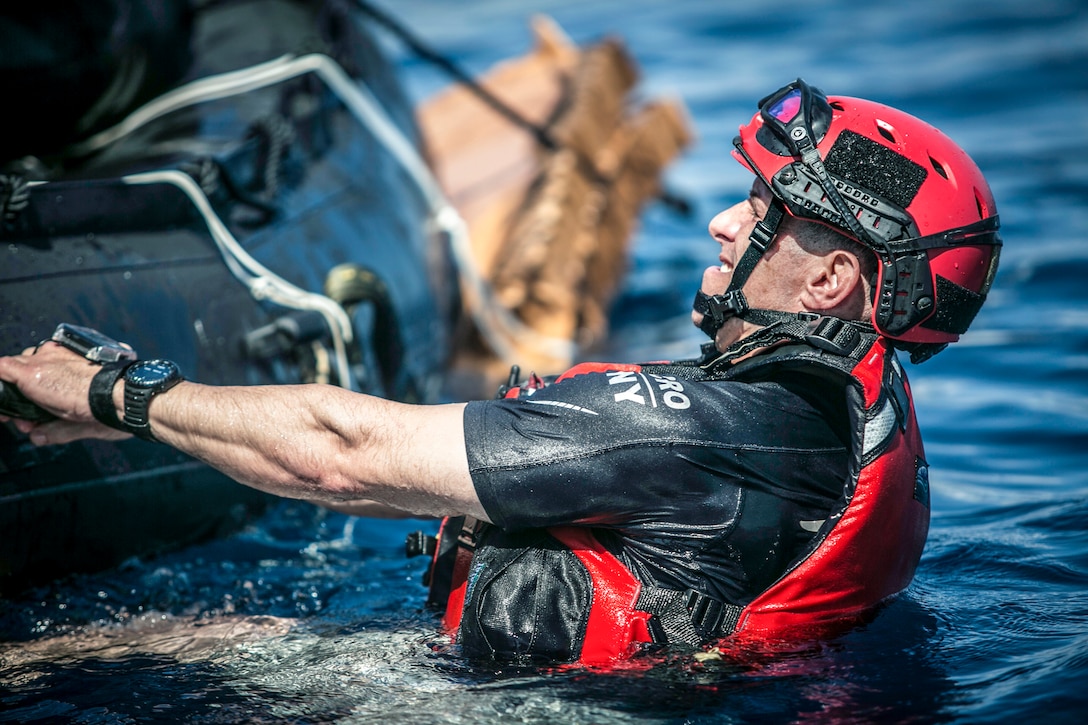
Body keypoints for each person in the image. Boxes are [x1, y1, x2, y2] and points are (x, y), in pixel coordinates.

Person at [0, 79, 1001, 666]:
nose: (723, 221)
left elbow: (341, 457)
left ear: (829, 279)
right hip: (651, 696)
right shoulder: (835, 413)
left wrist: (118, 393)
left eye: (762, 212)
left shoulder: (692, 429)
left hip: (524, 706)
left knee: (98, 652)